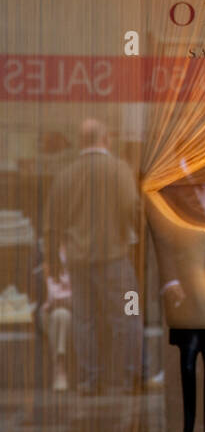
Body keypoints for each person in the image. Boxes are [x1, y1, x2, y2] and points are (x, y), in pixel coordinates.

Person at [44, 118, 142, 396]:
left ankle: (90, 380)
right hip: (116, 258)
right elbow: (132, 209)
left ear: (80, 142)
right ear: (106, 139)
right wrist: (128, 237)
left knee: (83, 320)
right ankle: (127, 377)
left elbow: (51, 224)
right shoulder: (120, 170)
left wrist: (52, 261)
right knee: (128, 314)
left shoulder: (65, 175)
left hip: (77, 262)